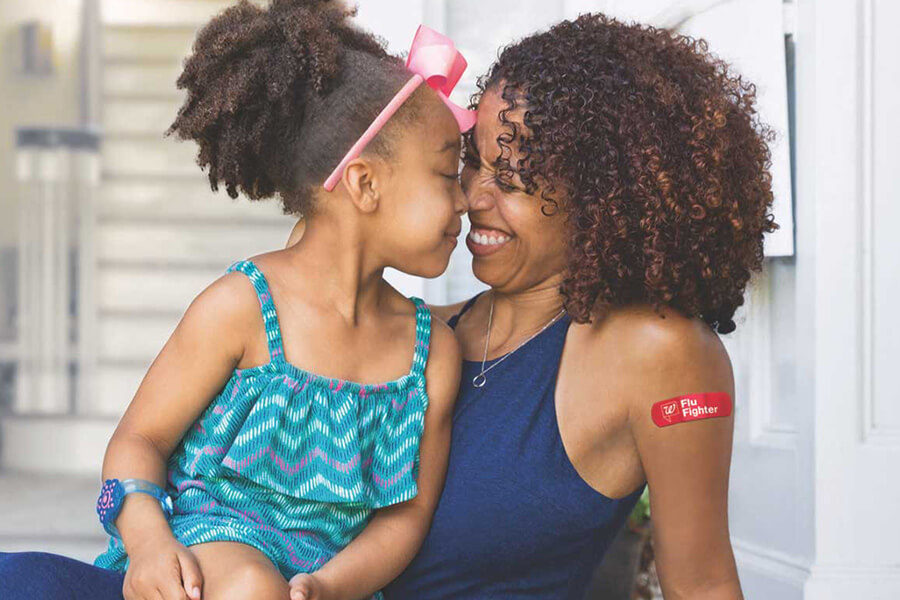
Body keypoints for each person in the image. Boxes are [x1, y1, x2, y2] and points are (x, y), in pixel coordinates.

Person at [0, 0, 472, 598]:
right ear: (365, 183)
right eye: (446, 173)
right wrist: (149, 543)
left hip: (324, 582)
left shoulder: (431, 357)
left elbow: (406, 516)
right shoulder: (243, 307)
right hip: (206, 549)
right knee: (250, 586)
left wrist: (329, 586)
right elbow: (137, 442)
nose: (463, 201)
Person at [382, 13, 775, 600]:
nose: (471, 198)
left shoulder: (658, 353)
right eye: (471, 163)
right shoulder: (419, 331)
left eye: (511, 181)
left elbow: (704, 584)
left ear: (600, 196)